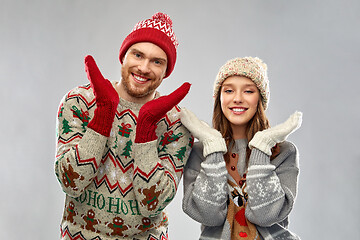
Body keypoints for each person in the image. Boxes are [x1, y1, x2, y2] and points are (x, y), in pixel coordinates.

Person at [55, 12, 193, 240]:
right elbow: (71, 182)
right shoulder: (79, 101)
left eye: (157, 61)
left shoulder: (176, 123)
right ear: (124, 56)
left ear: (166, 71)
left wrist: (147, 128)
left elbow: (153, 203)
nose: (144, 67)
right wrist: (103, 115)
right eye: (137, 55)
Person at [180, 57, 302, 239]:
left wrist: (262, 147)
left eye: (248, 91)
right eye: (228, 90)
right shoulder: (200, 152)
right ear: (219, 98)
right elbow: (209, 215)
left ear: (259, 98)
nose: (237, 98)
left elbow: (265, 215)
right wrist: (212, 146)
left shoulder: (284, 152)